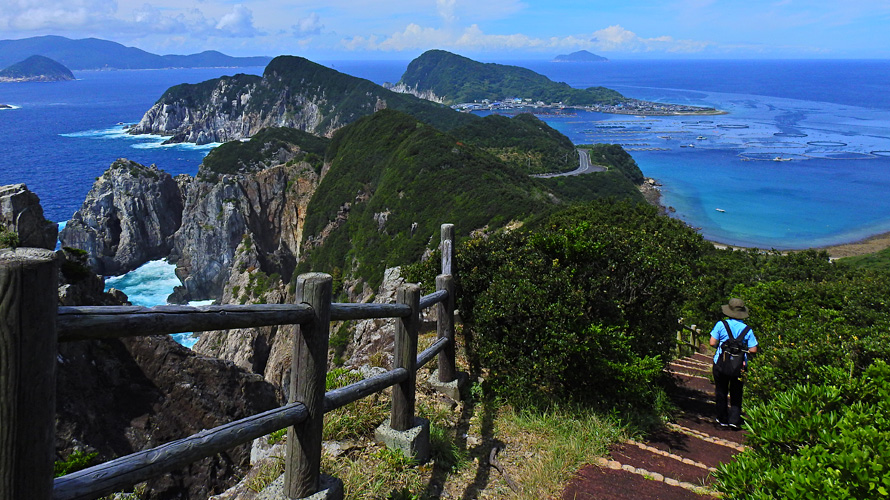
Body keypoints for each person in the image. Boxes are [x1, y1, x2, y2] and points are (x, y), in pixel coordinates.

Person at [709, 297, 758, 429]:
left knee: (721, 391)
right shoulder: (747, 329)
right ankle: (734, 420)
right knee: (737, 392)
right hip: (739, 366)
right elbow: (753, 349)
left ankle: (722, 418)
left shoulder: (721, 324)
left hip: (721, 363)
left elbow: (712, 342)